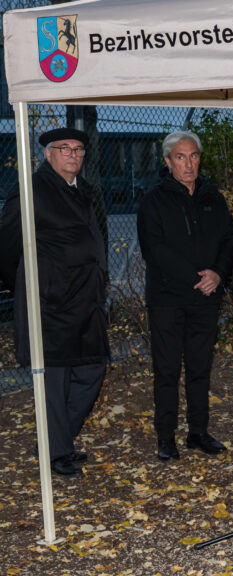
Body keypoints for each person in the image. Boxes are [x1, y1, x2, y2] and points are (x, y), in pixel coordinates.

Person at [0, 127, 109, 477]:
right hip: (51, 301)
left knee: (93, 370)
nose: (73, 155)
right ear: (48, 154)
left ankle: (53, 440)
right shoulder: (32, 191)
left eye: (78, 149)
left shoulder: (86, 191)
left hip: (86, 301)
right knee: (55, 378)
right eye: (64, 149)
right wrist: (29, 287)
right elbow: (8, 246)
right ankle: (57, 451)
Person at [137, 131, 233, 461]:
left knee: (200, 369)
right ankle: (166, 437)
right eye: (180, 157)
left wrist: (218, 273)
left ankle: (198, 432)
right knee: (167, 371)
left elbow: (229, 240)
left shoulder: (213, 197)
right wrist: (198, 277)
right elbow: (155, 249)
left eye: (193, 156)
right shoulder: (154, 200)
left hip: (206, 299)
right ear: (168, 162)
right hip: (167, 299)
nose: (188, 163)